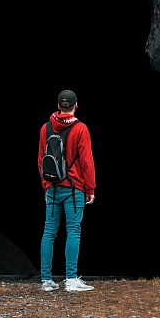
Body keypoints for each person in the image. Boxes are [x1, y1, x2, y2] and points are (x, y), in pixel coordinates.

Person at [37, 89, 96, 292]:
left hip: (52, 187)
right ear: (75, 105)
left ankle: (46, 280)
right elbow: (87, 161)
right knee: (73, 231)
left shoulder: (45, 128)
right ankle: (71, 279)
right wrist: (90, 188)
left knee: (49, 233)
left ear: (59, 106)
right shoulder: (81, 129)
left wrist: (45, 185)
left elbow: (40, 160)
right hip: (74, 188)